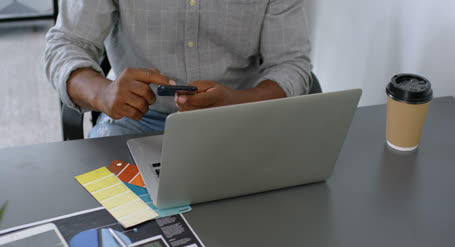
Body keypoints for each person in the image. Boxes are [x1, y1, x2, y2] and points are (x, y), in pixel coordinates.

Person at [45, 0, 312, 138]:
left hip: (242, 117)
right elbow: (66, 45)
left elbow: (290, 64)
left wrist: (235, 101)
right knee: (112, 226)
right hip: (137, 121)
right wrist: (103, 93)